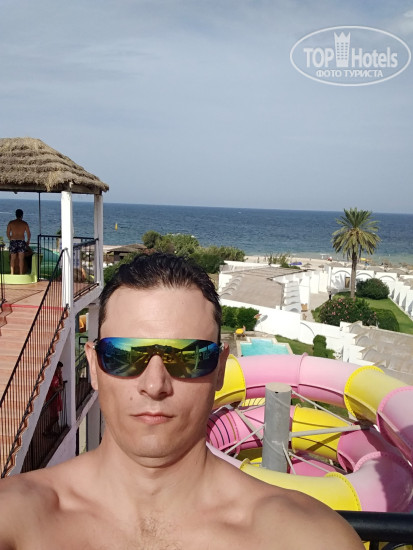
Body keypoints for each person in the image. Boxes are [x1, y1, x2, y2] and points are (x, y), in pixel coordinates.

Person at [0, 253, 363, 549]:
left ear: (220, 369)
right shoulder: (16, 518)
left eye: (188, 357)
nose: (154, 385)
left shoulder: (304, 538)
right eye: (125, 355)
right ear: (94, 366)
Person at [6, 209, 31, 275]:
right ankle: (21, 273)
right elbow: (28, 233)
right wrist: (28, 241)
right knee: (21, 258)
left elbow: (7, 233)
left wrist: (10, 239)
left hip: (13, 241)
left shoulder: (11, 223)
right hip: (21, 241)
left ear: (16, 215)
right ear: (22, 215)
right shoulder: (24, 223)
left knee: (12, 258)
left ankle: (12, 273)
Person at [43, 362, 64, 437]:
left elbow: (61, 385)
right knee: (55, 417)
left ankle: (49, 430)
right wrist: (60, 388)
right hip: (51, 399)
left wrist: (60, 376)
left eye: (60, 369)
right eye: (58, 369)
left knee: (54, 416)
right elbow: (54, 389)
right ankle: (46, 431)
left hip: (56, 398)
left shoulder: (56, 376)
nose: (59, 370)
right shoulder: (52, 378)